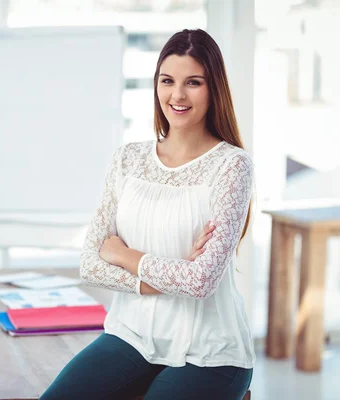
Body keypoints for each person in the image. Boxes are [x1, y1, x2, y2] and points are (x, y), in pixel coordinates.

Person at [40, 29, 255, 400]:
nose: (177, 95)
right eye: (167, 80)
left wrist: (125, 256)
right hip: (131, 335)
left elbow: (200, 283)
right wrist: (163, 278)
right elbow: (90, 264)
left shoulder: (232, 166)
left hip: (209, 350)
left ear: (214, 88)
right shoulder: (129, 159)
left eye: (194, 82)